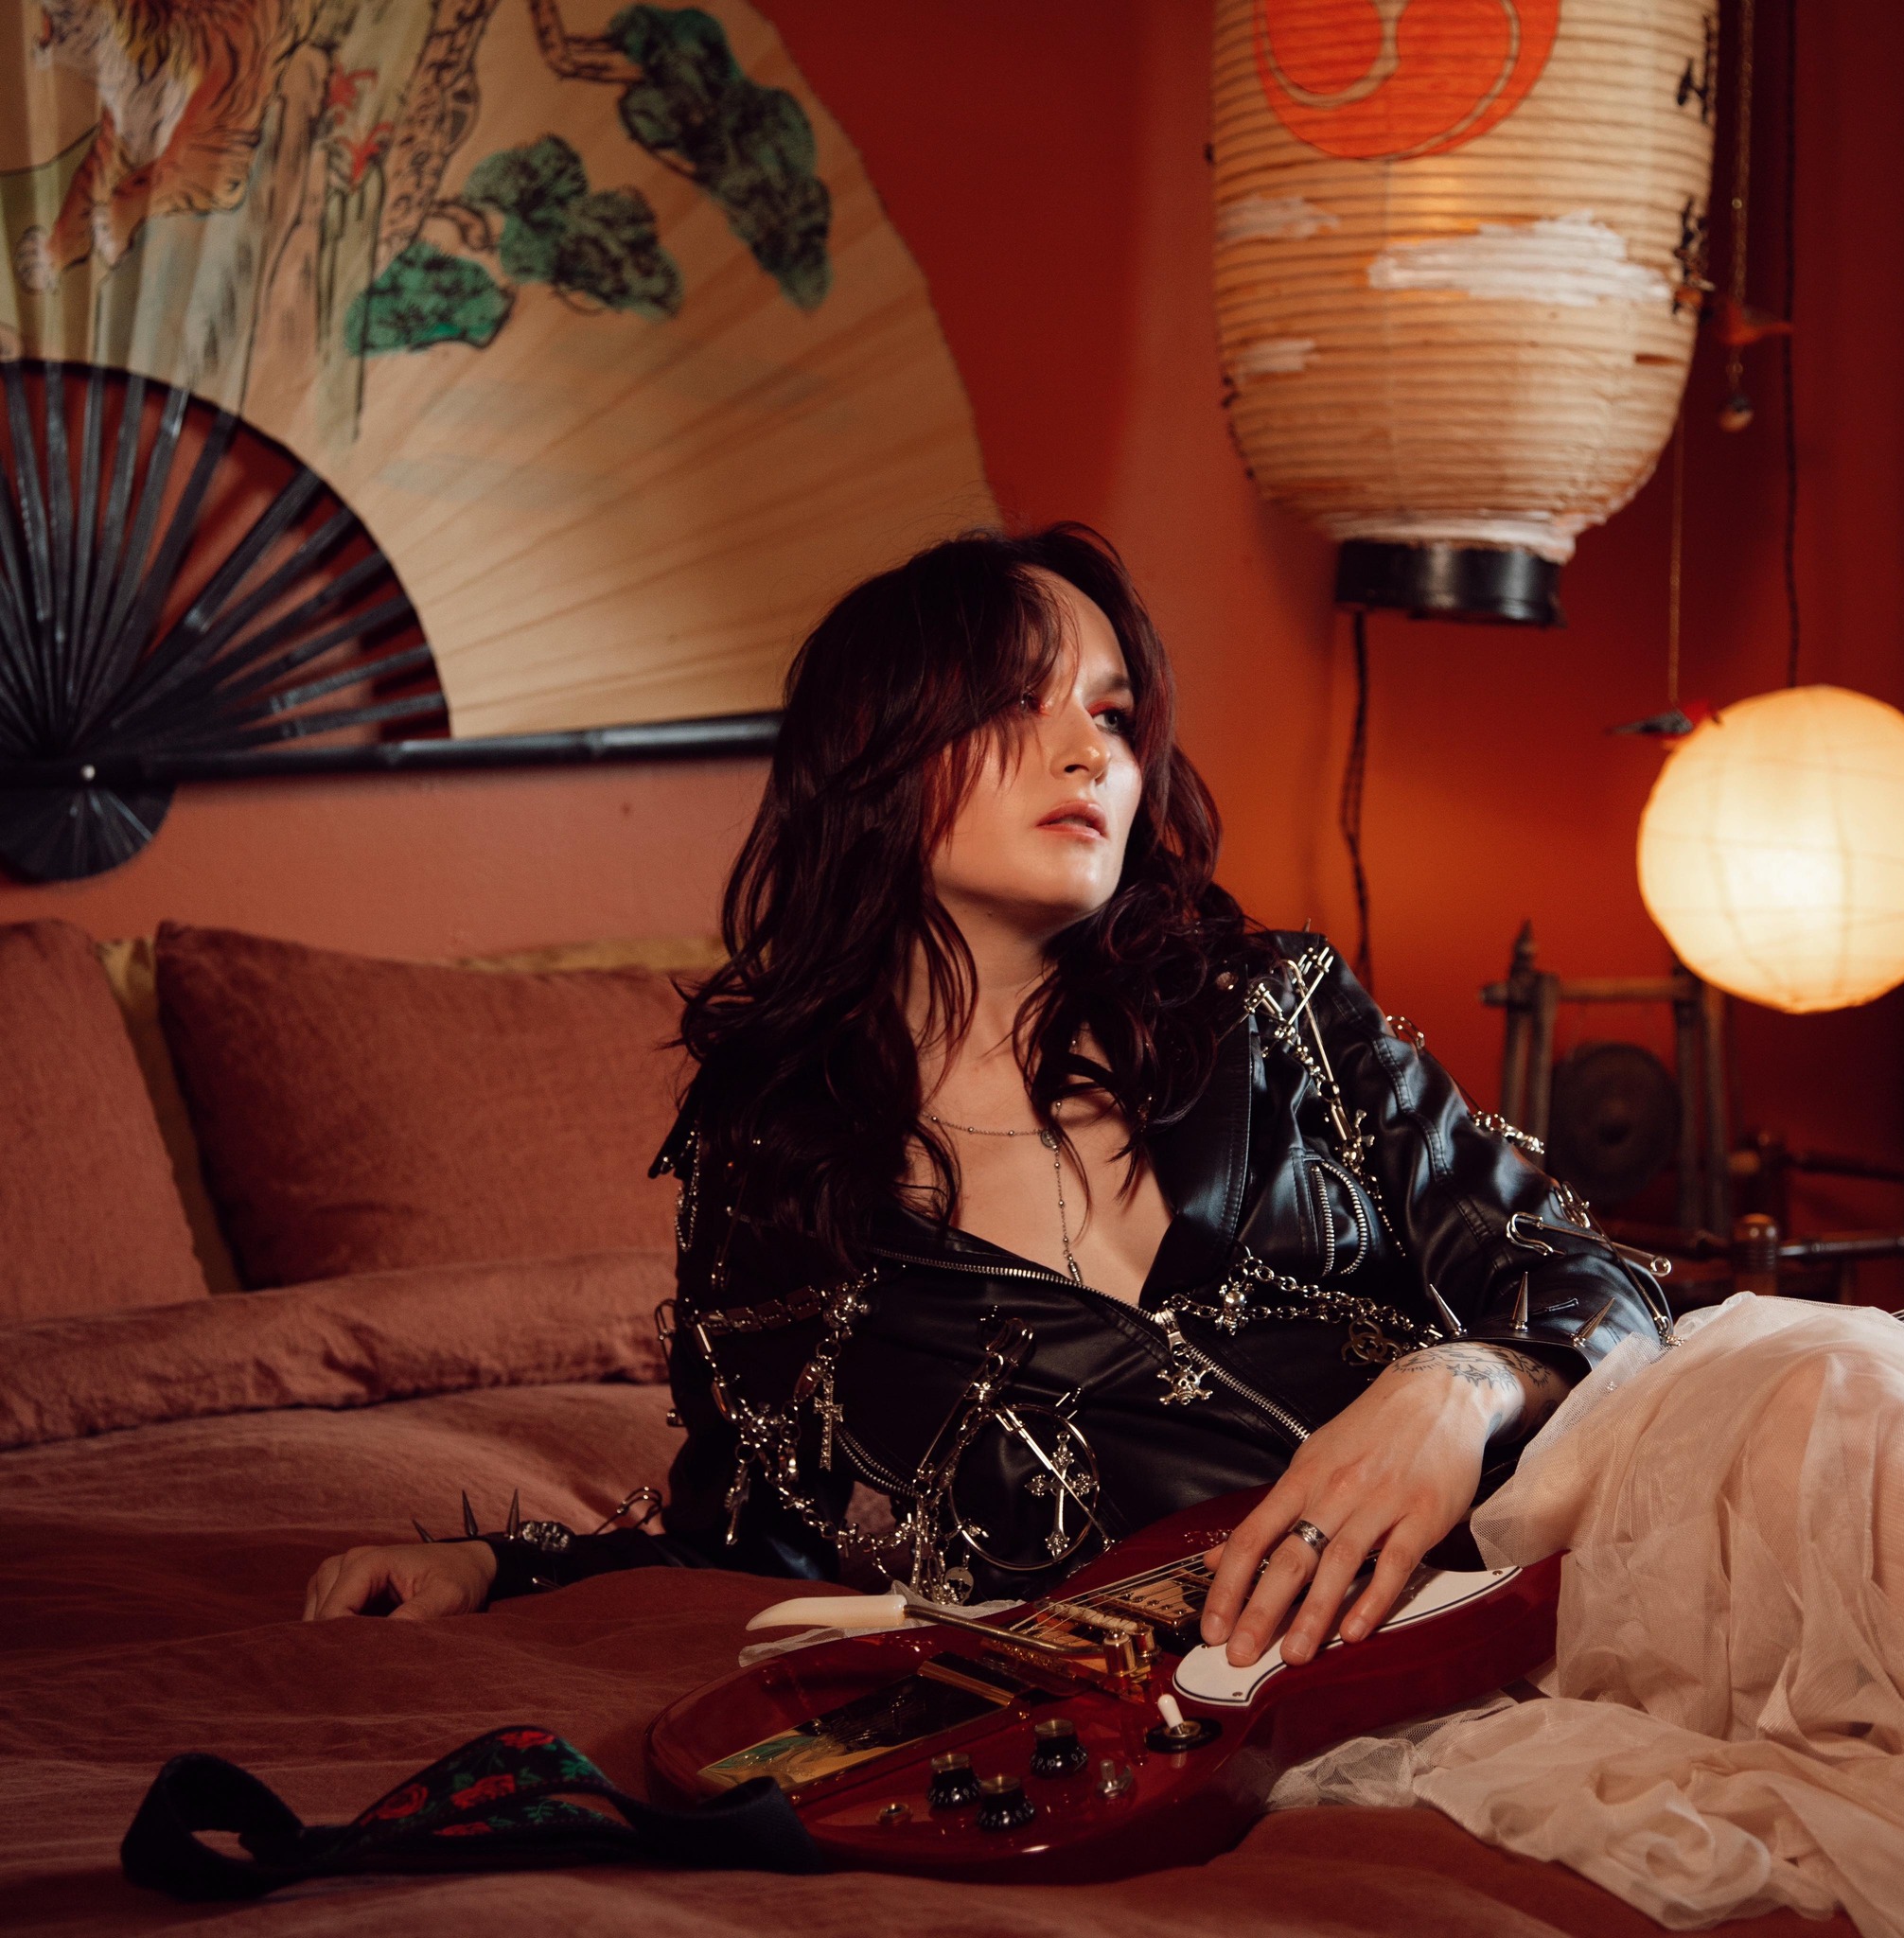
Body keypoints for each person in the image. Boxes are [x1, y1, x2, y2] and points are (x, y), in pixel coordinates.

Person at [304, 524, 1666, 1657]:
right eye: (1020, 703)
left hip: (1610, 1543)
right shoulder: (780, 1159)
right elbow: (762, 1530)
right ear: (876, 753)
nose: (1091, 753)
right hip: (1315, 1680)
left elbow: (1594, 1287)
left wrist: (1455, 1385)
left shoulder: (1278, 1008)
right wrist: (504, 1569)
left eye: (1113, 715)